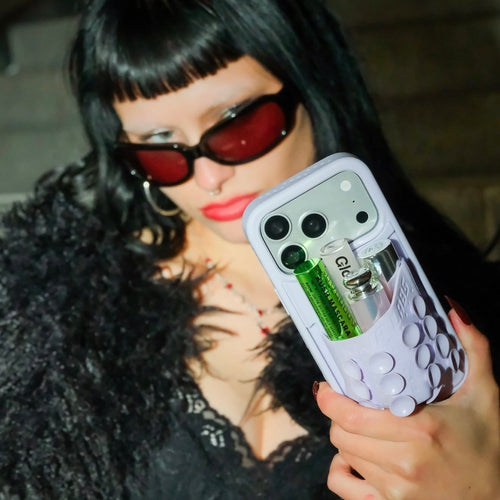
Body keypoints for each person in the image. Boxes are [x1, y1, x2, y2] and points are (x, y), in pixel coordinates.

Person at [0, 0, 498, 498]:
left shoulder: (448, 300)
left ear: (312, 88)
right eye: (160, 146)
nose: (209, 178)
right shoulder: (59, 313)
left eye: (237, 125)